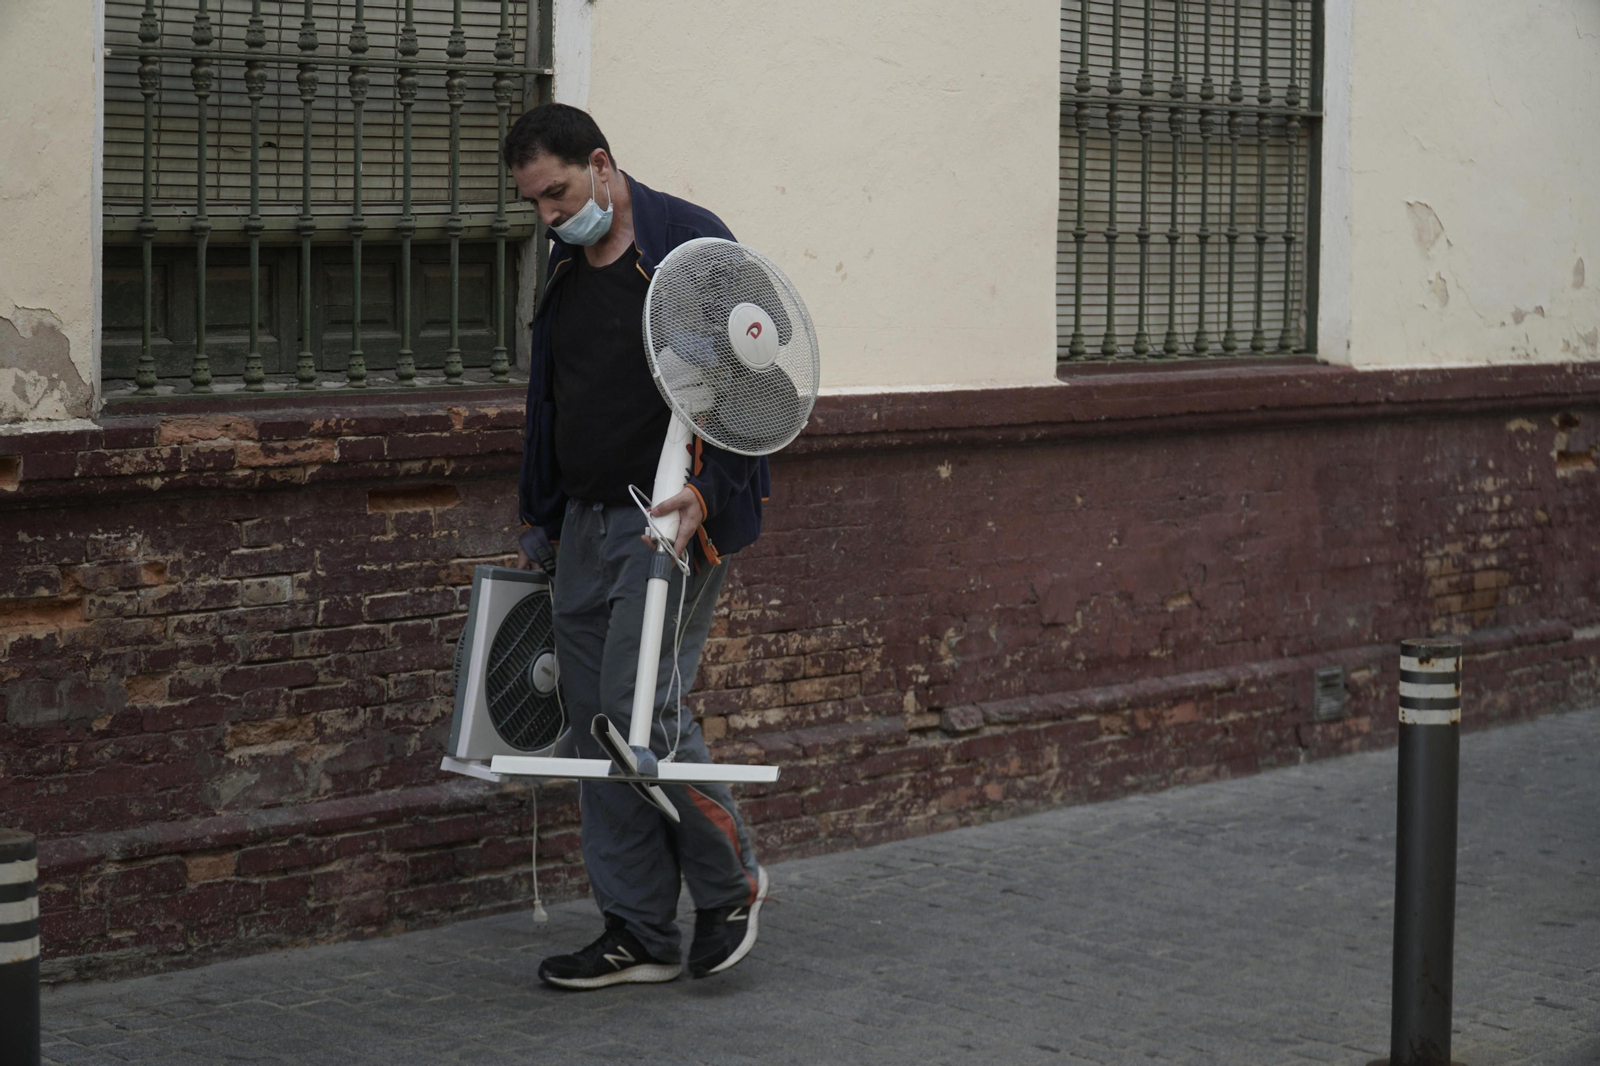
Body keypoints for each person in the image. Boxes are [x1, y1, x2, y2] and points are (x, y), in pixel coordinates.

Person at [504, 103, 770, 991]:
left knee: (636, 712)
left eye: (558, 193)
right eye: (535, 203)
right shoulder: (565, 262)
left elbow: (757, 389)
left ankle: (729, 884)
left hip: (668, 523)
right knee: (592, 731)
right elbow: (555, 393)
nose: (549, 215)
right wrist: (542, 513)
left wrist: (708, 495)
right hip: (580, 524)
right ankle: (639, 930)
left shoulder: (692, 248)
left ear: (603, 165)